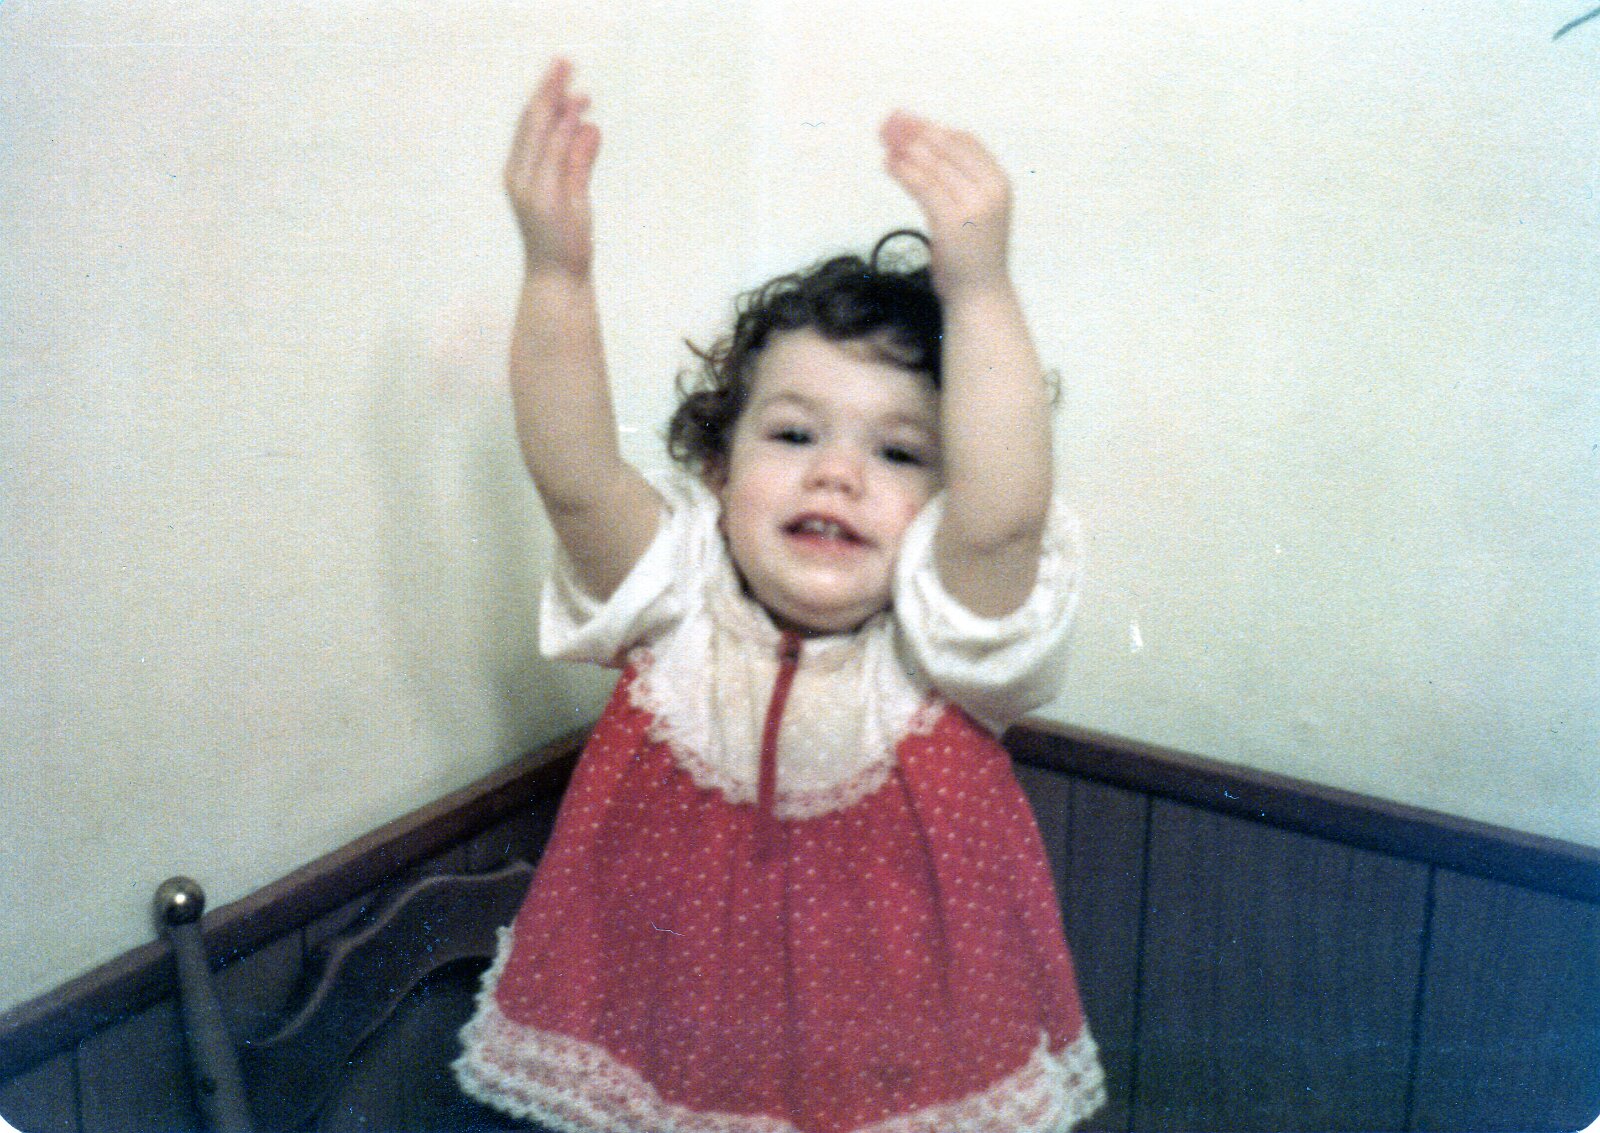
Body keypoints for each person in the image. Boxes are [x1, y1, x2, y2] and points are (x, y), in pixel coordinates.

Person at [454, 57, 1105, 1133]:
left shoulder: (949, 639)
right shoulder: (678, 594)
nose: (835, 473)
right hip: (661, 1050)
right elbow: (575, 478)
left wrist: (981, 289)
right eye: (794, 433)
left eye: (899, 452)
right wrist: (557, 270)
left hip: (902, 1068)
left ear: (947, 504)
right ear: (719, 466)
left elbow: (1001, 519)